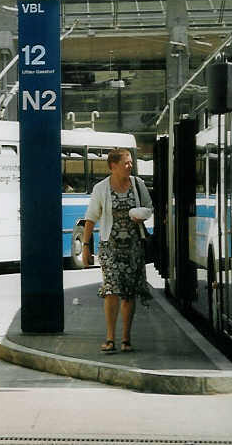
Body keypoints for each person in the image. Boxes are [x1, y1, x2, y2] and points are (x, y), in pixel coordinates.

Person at [81, 147, 153, 354]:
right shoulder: (101, 189)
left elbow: (149, 207)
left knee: (129, 293)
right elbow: (91, 218)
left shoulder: (138, 185)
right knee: (111, 290)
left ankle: (126, 339)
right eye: (126, 163)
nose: (130, 166)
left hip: (133, 246)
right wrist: (86, 247)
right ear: (113, 166)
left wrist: (142, 214)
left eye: (131, 162)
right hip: (110, 246)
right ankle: (110, 338)